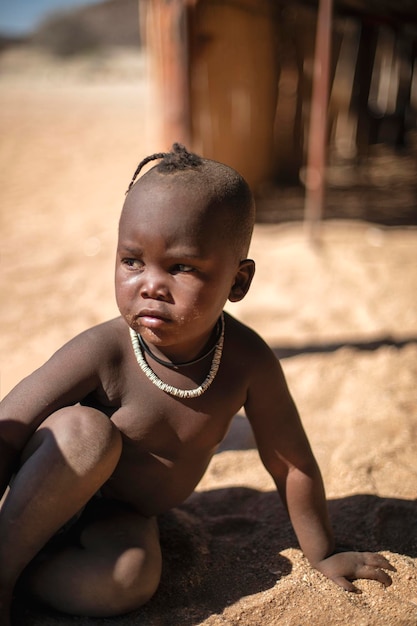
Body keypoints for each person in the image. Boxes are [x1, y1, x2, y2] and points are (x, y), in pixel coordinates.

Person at [0, 144, 394, 623]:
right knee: (86, 434)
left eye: (181, 267)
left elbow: (291, 465)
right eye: (131, 261)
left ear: (238, 282)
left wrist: (323, 552)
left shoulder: (248, 362)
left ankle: (26, 577)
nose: (150, 284)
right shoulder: (106, 350)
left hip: (118, 516)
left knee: (128, 581)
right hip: (28, 497)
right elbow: (11, 425)